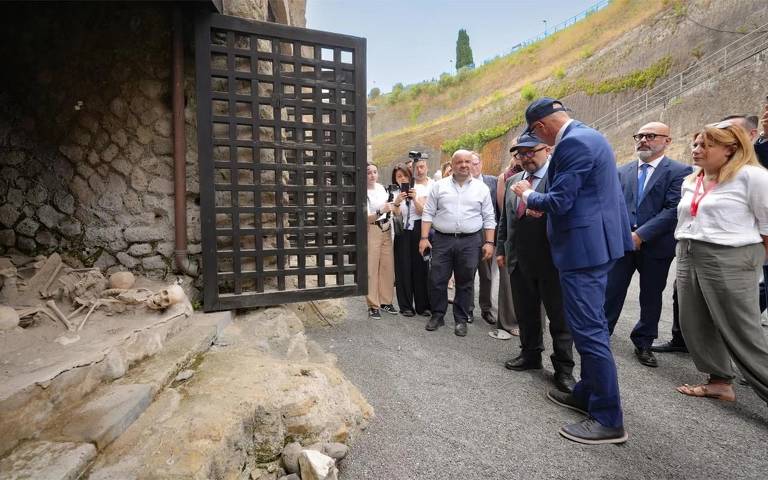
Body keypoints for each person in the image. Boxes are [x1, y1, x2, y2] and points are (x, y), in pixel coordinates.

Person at [511, 97, 633, 444]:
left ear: (539, 128)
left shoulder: (573, 142)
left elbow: (561, 201)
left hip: (582, 250)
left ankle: (609, 418)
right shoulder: (589, 135)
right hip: (595, 243)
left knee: (589, 331)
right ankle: (586, 394)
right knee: (587, 327)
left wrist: (527, 194)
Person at [673, 120, 768, 404]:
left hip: (730, 256)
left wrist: (752, 263)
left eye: (706, 145)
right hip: (689, 250)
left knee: (742, 331)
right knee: (694, 322)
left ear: (731, 149)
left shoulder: (752, 176)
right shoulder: (692, 179)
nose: (697, 150)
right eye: (696, 144)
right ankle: (718, 381)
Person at [604, 122, 692, 368]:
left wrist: (641, 234)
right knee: (611, 290)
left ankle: (644, 342)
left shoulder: (679, 171)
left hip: (656, 246)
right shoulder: (622, 171)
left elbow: (674, 208)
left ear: (667, 140)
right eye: (639, 136)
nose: (643, 140)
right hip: (622, 243)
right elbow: (614, 205)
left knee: (651, 295)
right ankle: (601, 334)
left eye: (650, 136)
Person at [497, 133, 575, 393]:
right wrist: (501, 249)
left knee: (559, 318)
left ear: (547, 150)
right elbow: (505, 221)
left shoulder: (559, 179)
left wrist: (542, 212)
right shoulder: (514, 181)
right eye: (521, 153)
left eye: (531, 151)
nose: (526, 157)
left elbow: (570, 211)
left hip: (552, 260)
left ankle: (564, 369)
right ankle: (530, 354)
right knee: (526, 312)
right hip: (520, 258)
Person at [419, 150, 496, 337]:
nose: (463, 165)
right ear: (452, 165)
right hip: (443, 239)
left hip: (470, 241)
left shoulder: (481, 188)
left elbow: (489, 217)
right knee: (437, 279)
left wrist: (489, 242)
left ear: (472, 164)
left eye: (467, 161)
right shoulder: (439, 186)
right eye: (459, 162)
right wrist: (423, 238)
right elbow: (428, 212)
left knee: (466, 281)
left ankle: (461, 319)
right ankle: (438, 315)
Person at [489, 154, 523, 340]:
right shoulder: (507, 178)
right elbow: (504, 211)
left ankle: (532, 323)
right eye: (518, 153)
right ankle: (509, 321)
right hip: (512, 233)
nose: (522, 156)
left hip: (535, 237)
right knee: (508, 281)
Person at [391, 161, 431, 317]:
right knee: (403, 268)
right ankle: (406, 305)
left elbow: (424, 213)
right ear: (395, 179)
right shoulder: (394, 193)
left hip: (419, 230)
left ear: (410, 175)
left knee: (421, 267)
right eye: (399, 177)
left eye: (405, 175)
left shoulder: (420, 189)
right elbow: (396, 216)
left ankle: (423, 305)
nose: (402, 179)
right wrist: (397, 202)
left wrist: (415, 199)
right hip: (402, 233)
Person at [469, 152, 499, 325]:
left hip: (488, 233)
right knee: (468, 273)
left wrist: (494, 239)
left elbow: (497, 209)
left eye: (475, 163)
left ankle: (486, 309)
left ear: (481, 163)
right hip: (470, 234)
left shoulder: (492, 182)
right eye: (469, 163)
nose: (472, 167)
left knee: (486, 275)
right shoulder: (463, 183)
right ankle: (468, 309)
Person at [365, 163, 397, 319]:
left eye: (375, 172)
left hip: (386, 228)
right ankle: (373, 304)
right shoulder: (362, 192)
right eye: (368, 172)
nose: (372, 175)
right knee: (371, 268)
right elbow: (364, 217)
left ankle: (385, 301)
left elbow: (392, 208)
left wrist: (395, 203)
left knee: (387, 266)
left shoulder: (381, 188)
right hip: (372, 228)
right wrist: (381, 210)